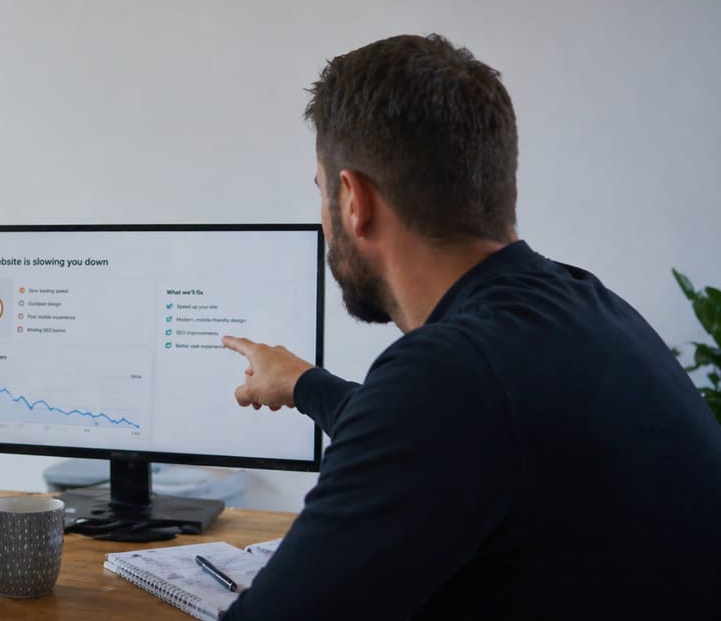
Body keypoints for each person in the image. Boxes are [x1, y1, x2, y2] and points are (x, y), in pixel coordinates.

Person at [221, 34, 721, 619]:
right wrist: (306, 385)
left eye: (321, 192)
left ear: (353, 200)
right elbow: (447, 434)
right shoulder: (584, 306)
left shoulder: (449, 374)